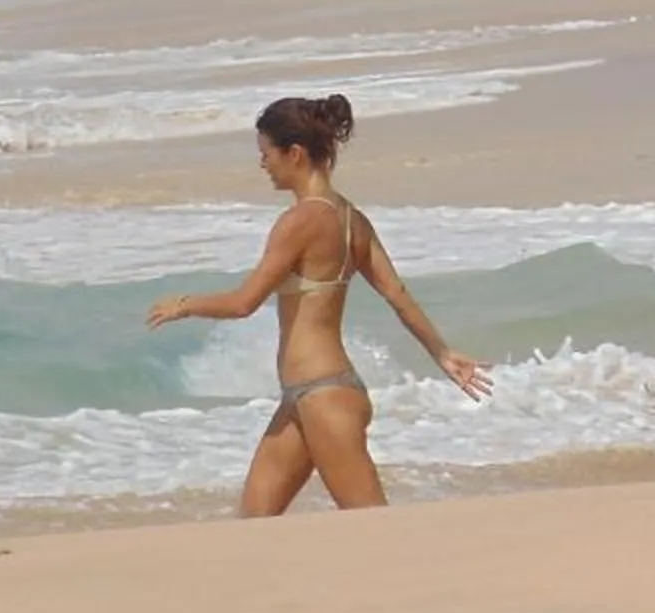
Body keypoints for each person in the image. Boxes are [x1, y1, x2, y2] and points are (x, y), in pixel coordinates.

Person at [144, 94, 492, 516]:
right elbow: (396, 294)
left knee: (374, 526)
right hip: (306, 397)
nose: (262, 164)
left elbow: (243, 303)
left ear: (294, 153)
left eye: (266, 153)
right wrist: (442, 352)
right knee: (253, 524)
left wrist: (185, 304)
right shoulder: (352, 219)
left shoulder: (300, 222)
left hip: (325, 396)